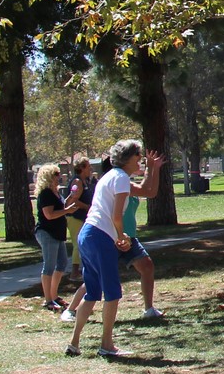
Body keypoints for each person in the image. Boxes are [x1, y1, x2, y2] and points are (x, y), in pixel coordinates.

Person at [66, 139, 145, 358]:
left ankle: (74, 343)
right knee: (112, 293)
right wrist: (122, 237)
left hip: (87, 235)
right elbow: (116, 215)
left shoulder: (108, 177)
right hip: (100, 237)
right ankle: (106, 345)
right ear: (128, 158)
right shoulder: (120, 178)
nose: (141, 159)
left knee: (92, 292)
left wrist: (119, 235)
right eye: (138, 155)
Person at [116, 148, 167, 319]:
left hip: (129, 237)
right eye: (136, 159)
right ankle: (71, 310)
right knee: (99, 276)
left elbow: (151, 192)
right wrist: (150, 168)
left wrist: (155, 169)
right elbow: (147, 189)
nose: (139, 161)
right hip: (115, 237)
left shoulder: (127, 183)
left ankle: (148, 309)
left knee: (147, 266)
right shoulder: (120, 182)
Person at [33, 163, 83, 311]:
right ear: (48, 177)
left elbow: (61, 207)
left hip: (57, 233)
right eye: (56, 175)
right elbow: (49, 215)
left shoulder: (55, 192)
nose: (59, 177)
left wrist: (70, 198)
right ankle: (48, 300)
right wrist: (66, 210)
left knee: (61, 263)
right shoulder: (46, 194)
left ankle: (54, 295)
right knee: (49, 266)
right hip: (47, 233)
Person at [58, 155, 97, 322]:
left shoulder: (85, 181)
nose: (90, 169)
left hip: (81, 217)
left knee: (80, 244)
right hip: (75, 218)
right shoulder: (77, 183)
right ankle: (74, 272)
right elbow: (72, 200)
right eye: (88, 166)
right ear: (81, 167)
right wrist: (87, 207)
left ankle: (77, 270)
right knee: (77, 244)